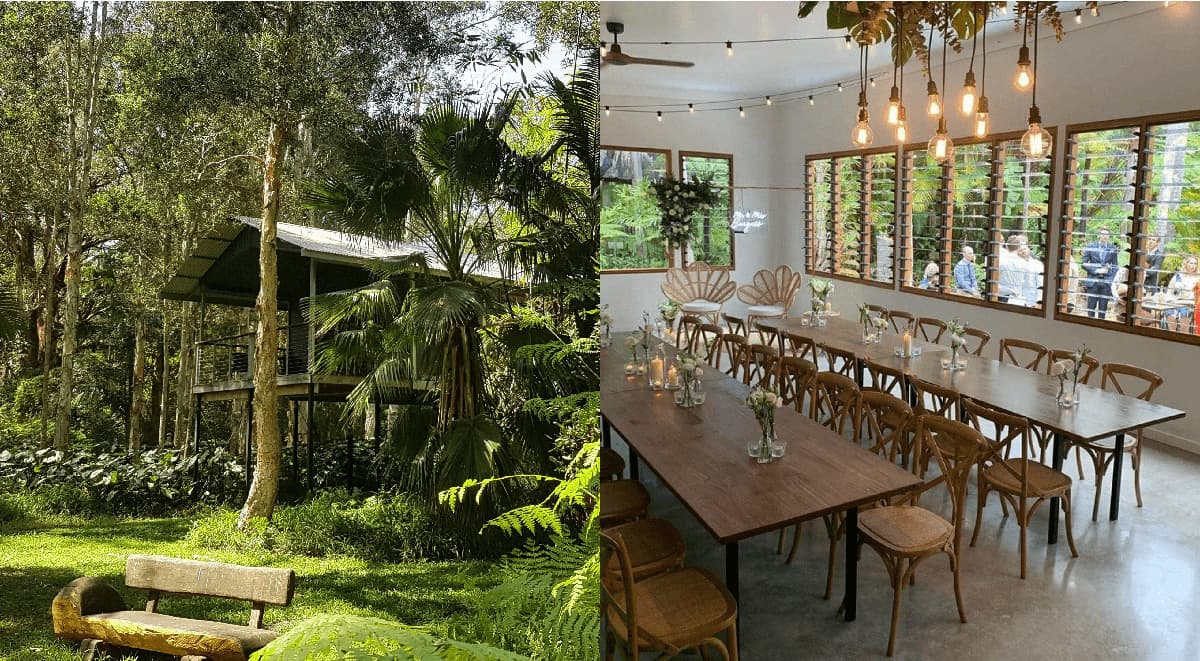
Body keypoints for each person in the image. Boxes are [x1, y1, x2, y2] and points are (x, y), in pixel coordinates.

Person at [1081, 228, 1119, 319]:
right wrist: (1096, 270)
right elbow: (1083, 263)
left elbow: (1115, 266)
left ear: (1109, 236)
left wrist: (1110, 280)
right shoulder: (1091, 246)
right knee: (1091, 308)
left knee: (1103, 309)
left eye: (1106, 234)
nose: (1104, 236)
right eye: (1102, 234)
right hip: (1093, 281)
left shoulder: (1112, 248)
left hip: (1106, 282)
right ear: (1099, 235)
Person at [1162, 254, 1200, 332]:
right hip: (1176, 302)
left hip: (1190, 303)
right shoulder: (1178, 276)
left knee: (1184, 313)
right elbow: (1169, 292)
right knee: (1169, 312)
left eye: (1195, 263)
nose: (1193, 266)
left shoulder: (1198, 277)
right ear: (1185, 263)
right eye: (1190, 263)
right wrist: (1170, 300)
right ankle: (1172, 334)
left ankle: (1183, 336)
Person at [997, 234, 1027, 304]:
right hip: (1019, 300)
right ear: (1019, 247)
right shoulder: (1024, 264)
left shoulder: (1001, 261)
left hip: (1003, 299)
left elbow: (995, 283)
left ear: (1007, 246)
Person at [1017, 242, 1044, 307]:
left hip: (1031, 300)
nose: (1023, 251)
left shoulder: (1037, 264)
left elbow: (1040, 283)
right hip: (1017, 300)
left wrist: (1039, 301)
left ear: (1029, 249)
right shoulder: (1015, 264)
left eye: (1024, 249)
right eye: (1020, 250)